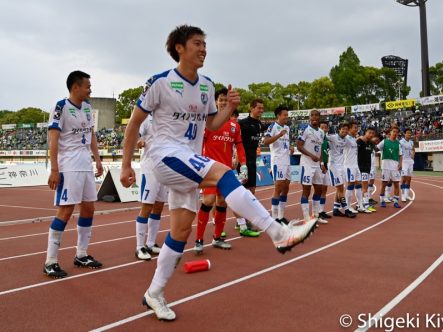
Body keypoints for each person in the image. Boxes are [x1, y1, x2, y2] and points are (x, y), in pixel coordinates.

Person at [119, 25, 318, 321]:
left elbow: (212, 124)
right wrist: (125, 164)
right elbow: (134, 124)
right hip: (165, 156)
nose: (203, 49)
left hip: (189, 158)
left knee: (180, 232)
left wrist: (231, 108)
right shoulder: (160, 83)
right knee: (225, 175)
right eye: (197, 44)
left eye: (205, 45)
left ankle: (154, 293)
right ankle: (279, 233)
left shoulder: (207, 86)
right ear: (179, 48)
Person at [44, 70, 103, 278]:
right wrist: (54, 169)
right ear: (75, 87)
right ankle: (50, 261)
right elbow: (53, 138)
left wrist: (97, 159)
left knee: (89, 209)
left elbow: (91, 134)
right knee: (66, 211)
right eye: (87, 86)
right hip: (68, 166)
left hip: (85, 165)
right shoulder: (61, 107)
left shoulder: (87, 107)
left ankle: (81, 254)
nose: (90, 89)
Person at [194, 88, 249, 254]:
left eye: (226, 100)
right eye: (221, 100)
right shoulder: (208, 123)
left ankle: (217, 238)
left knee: (222, 202)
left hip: (225, 171)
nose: (224, 102)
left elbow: (239, 146)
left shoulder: (234, 126)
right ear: (216, 102)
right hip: (209, 170)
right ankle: (199, 240)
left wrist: (243, 165)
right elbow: (198, 145)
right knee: (208, 201)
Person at [135, 113, 168, 260]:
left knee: (159, 206)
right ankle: (139, 246)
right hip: (150, 168)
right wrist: (139, 139)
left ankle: (150, 243)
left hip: (164, 167)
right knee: (147, 207)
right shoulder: (145, 117)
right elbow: (135, 131)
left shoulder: (167, 115)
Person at [236, 98, 267, 234]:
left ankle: (243, 219)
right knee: (243, 193)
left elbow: (268, 130)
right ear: (251, 108)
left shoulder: (259, 124)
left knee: (252, 191)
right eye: (258, 108)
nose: (261, 110)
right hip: (243, 162)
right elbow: (235, 140)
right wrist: (236, 158)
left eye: (262, 108)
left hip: (253, 161)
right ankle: (243, 222)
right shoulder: (242, 123)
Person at [263, 105, 293, 224]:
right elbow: (265, 141)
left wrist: (290, 147)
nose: (286, 117)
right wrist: (279, 135)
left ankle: (281, 216)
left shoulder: (287, 127)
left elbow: (285, 142)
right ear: (278, 115)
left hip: (287, 161)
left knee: (286, 188)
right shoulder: (273, 127)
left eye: (287, 115)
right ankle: (274, 218)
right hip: (278, 161)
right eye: (284, 115)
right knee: (278, 187)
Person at [297, 110, 326, 223]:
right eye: (312, 115)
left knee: (319, 190)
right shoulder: (305, 129)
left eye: (316, 115)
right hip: (307, 164)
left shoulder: (321, 132)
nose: (314, 117)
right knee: (306, 191)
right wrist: (311, 155)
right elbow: (299, 146)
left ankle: (316, 215)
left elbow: (320, 150)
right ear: (309, 117)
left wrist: (322, 163)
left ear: (319, 117)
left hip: (317, 165)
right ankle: (306, 218)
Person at [326, 122, 356, 218]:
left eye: (346, 129)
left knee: (340, 188)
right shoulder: (332, 137)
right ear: (339, 130)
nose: (345, 131)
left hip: (341, 166)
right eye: (343, 129)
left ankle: (335, 209)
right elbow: (322, 139)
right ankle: (346, 210)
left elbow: (354, 145)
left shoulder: (347, 139)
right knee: (340, 189)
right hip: (333, 166)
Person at [377, 126, 403, 208]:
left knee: (396, 184)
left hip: (395, 166)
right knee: (384, 183)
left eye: (397, 132)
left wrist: (401, 164)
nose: (395, 133)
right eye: (394, 131)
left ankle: (395, 201)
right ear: (390, 132)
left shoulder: (398, 143)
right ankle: (382, 200)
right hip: (385, 165)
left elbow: (400, 155)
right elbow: (376, 148)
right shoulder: (384, 141)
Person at [343, 121, 364, 214]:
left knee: (359, 184)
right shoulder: (346, 138)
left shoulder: (354, 139)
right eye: (354, 127)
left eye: (357, 127)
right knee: (350, 185)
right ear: (349, 129)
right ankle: (348, 206)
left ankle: (360, 205)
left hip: (355, 166)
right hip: (348, 166)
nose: (356, 129)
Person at [356, 127, 377, 212]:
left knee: (364, 186)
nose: (371, 134)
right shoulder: (359, 141)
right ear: (365, 132)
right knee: (364, 186)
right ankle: (365, 205)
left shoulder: (371, 143)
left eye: (373, 133)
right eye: (369, 132)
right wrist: (358, 138)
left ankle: (360, 204)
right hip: (360, 167)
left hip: (367, 167)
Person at [318, 121, 332, 219]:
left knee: (324, 189)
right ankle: (316, 212)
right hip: (318, 166)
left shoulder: (328, 141)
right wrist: (321, 163)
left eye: (325, 128)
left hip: (326, 166)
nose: (324, 129)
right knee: (318, 190)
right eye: (322, 127)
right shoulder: (317, 139)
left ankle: (321, 211)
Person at [400, 128, 415, 202]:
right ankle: (402, 195)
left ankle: (407, 195)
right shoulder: (401, 142)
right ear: (404, 134)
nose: (409, 134)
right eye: (408, 133)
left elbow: (413, 149)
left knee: (409, 179)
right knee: (404, 179)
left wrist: (413, 156)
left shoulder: (411, 142)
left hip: (410, 161)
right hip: (404, 161)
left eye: (410, 133)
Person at [367, 135, 381, 206]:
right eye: (376, 140)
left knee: (371, 182)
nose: (377, 141)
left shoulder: (373, 147)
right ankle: (366, 198)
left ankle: (369, 197)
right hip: (367, 166)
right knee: (366, 182)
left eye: (378, 141)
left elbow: (377, 149)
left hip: (373, 166)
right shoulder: (367, 144)